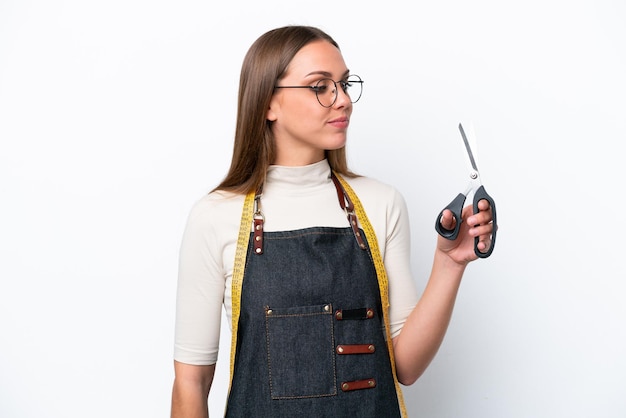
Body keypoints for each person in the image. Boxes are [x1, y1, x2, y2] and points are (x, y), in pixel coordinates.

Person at [170, 25, 494, 418]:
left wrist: (450, 263)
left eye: (344, 84)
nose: (342, 100)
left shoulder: (382, 204)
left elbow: (405, 366)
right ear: (268, 103)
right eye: (320, 87)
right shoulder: (214, 217)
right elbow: (191, 382)